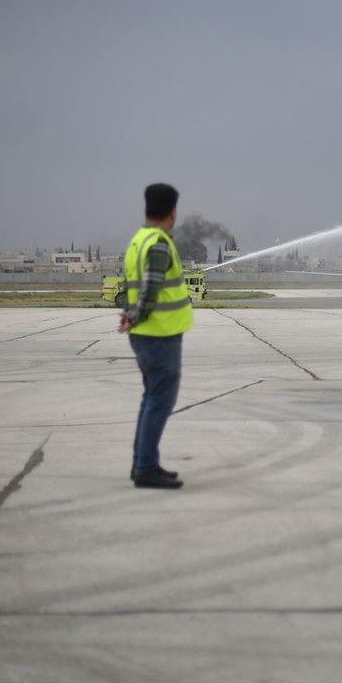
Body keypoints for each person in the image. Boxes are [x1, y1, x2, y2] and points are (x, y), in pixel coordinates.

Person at [118, 183, 193, 489]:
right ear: (172, 212)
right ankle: (146, 467)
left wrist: (128, 312)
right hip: (160, 335)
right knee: (159, 401)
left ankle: (143, 464)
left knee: (150, 400)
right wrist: (135, 314)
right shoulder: (159, 243)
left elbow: (128, 286)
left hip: (144, 334)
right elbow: (149, 291)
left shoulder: (138, 240)